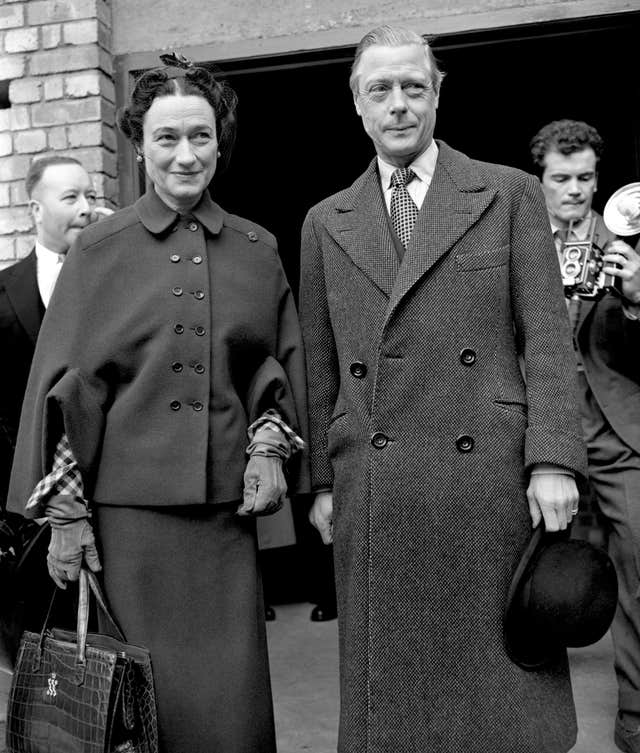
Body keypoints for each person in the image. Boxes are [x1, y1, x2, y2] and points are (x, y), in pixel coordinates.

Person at [7, 58, 308, 753]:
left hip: (224, 531)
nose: (186, 154)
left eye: (200, 137)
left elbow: (277, 367)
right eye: (167, 138)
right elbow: (67, 389)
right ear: (139, 144)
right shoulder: (99, 250)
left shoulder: (257, 249)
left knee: (229, 718)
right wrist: (67, 519)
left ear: (220, 141)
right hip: (124, 533)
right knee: (139, 721)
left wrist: (267, 446)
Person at [299, 25, 587, 753]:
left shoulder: (509, 194)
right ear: (357, 105)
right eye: (380, 90)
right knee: (395, 707)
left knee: (497, 695)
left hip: (484, 476)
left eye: (413, 88)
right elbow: (320, 363)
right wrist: (323, 480)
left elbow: (547, 339)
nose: (399, 105)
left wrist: (553, 458)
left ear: (437, 95)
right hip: (378, 481)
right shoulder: (324, 222)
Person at [530, 119, 640, 753]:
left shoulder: (629, 238)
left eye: (586, 178)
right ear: (539, 179)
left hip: (618, 427)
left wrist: (635, 298)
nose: (575, 191)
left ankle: (636, 718)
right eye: (561, 179)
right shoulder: (514, 241)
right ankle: (525, 715)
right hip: (541, 430)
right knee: (525, 575)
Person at [0, 156, 106, 511]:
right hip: (25, 495)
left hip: (109, 484)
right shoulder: (3, 290)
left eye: (91, 196)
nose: (86, 208)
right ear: (36, 210)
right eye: (71, 197)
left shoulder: (116, 280)